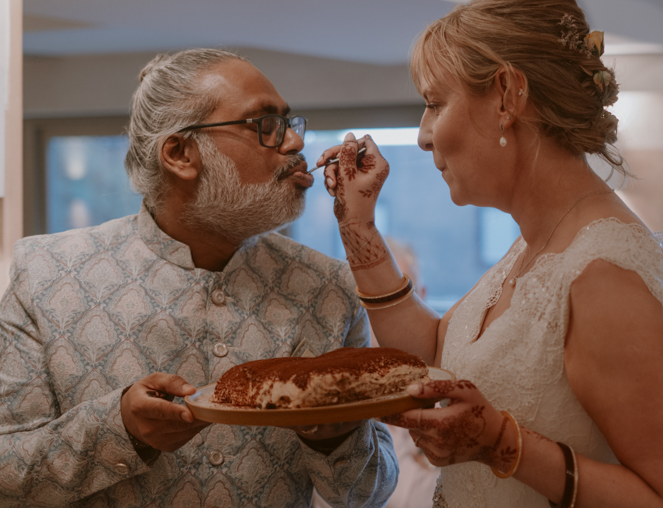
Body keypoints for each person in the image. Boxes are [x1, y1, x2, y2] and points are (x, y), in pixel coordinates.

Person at [315, 0, 663, 507]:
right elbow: (433, 354)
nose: (423, 135)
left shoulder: (600, 272)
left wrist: (503, 445)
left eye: (435, 104)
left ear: (506, 95)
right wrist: (358, 228)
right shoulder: (536, 245)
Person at [0, 48, 397, 507]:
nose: (293, 142)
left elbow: (371, 492)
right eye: (266, 124)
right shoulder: (45, 274)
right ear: (180, 154)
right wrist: (119, 429)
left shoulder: (330, 288)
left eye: (290, 123)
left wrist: (334, 435)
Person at [312, 238, 439, 508]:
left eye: (400, 297)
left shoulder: (442, 386)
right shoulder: (325, 390)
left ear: (423, 296)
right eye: (368, 299)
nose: (384, 315)